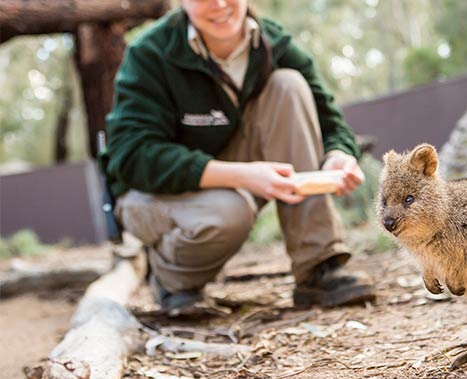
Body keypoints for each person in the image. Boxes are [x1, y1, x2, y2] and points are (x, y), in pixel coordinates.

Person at [99, 0, 376, 310]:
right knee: (228, 211)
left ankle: (318, 267)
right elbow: (132, 156)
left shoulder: (273, 42)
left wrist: (338, 154)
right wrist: (244, 176)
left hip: (231, 170)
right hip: (149, 193)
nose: (218, 4)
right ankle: (171, 278)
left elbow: (330, 120)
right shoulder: (150, 53)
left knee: (289, 85)